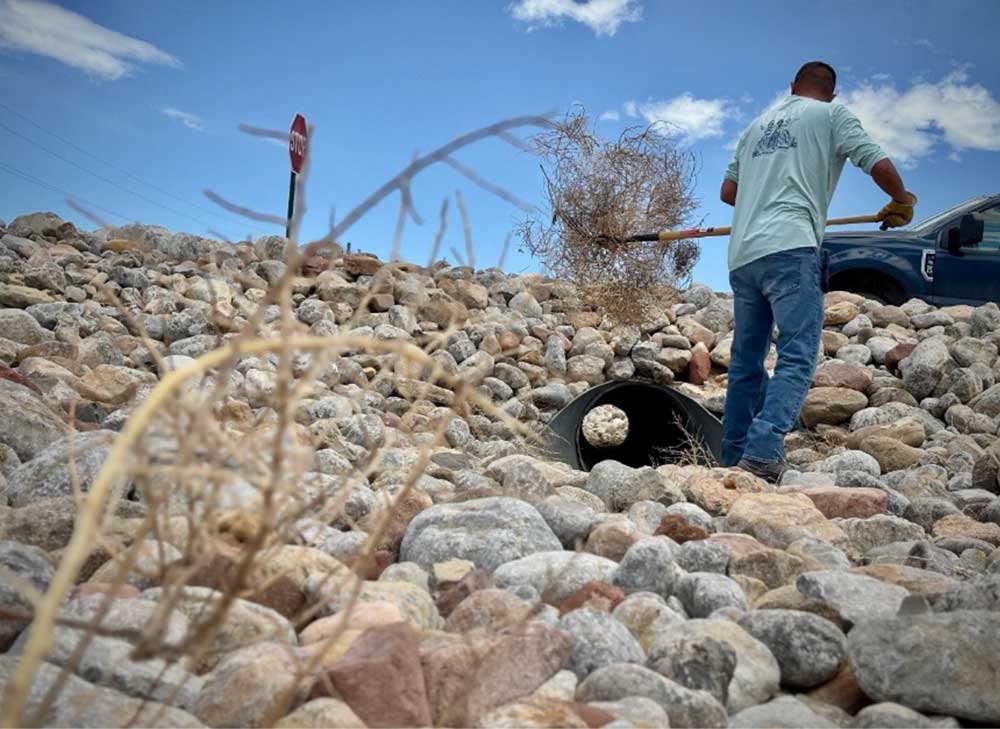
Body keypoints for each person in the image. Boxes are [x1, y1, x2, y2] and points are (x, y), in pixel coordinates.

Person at [719, 60, 915, 481]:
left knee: (746, 362)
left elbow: (729, 192)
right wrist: (902, 199)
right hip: (791, 247)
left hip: (744, 254)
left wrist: (764, 195)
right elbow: (875, 161)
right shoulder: (832, 116)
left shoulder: (754, 128)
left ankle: (732, 456)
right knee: (798, 354)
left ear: (792, 86)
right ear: (832, 93)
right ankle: (763, 452)